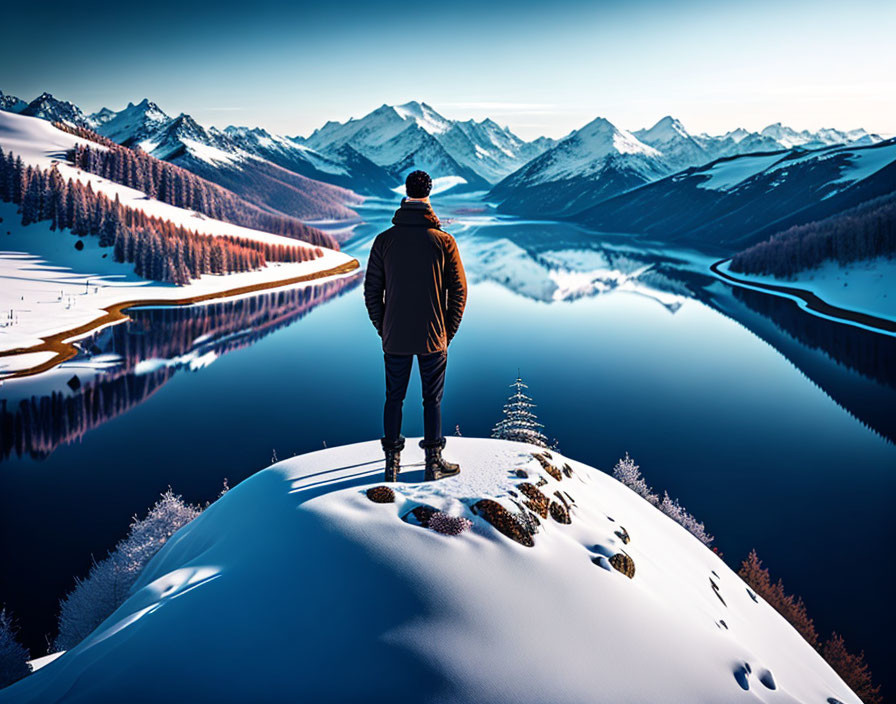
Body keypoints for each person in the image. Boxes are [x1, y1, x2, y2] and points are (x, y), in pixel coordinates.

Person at [364, 170, 467, 482]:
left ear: (405, 193)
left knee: (393, 397)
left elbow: (371, 293)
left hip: (395, 336)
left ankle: (391, 466)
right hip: (433, 338)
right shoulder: (444, 242)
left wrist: (385, 328)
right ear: (429, 194)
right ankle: (433, 463)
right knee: (431, 400)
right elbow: (459, 292)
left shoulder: (384, 241)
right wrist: (446, 333)